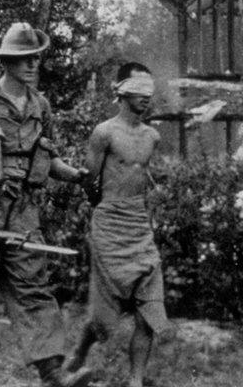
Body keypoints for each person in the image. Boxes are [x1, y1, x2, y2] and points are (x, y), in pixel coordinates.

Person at [0, 22, 93, 387]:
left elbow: (48, 160)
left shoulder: (41, 106)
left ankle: (52, 372)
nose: (32, 65)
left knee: (34, 290)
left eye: (36, 59)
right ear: (7, 62)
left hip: (25, 210)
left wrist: (75, 174)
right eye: (24, 59)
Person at [64, 62, 172, 387]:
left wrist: (153, 198)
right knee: (103, 313)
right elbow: (90, 184)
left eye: (149, 94)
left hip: (140, 227)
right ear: (123, 93)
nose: (146, 100)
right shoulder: (105, 132)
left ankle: (135, 380)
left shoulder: (152, 137)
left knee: (149, 309)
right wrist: (106, 213)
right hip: (109, 224)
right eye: (139, 93)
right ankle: (79, 353)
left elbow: (150, 178)